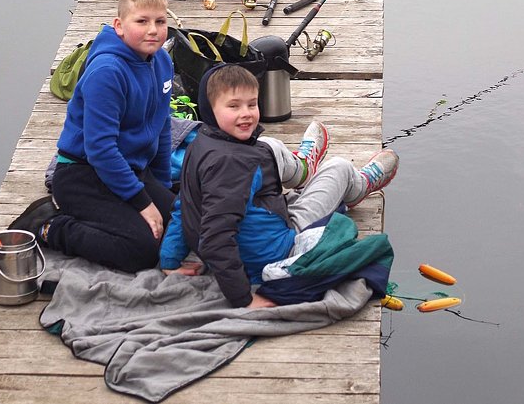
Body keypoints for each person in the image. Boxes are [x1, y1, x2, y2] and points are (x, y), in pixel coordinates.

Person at [159, 64, 399, 308]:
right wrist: (244, 298)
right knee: (339, 168)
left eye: (252, 104)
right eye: (234, 106)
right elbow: (215, 239)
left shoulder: (200, 144)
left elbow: (184, 206)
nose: (246, 113)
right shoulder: (236, 166)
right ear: (210, 108)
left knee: (265, 146)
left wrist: (169, 260)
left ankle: (304, 168)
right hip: (277, 252)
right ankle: (358, 185)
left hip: (256, 235)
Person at [9, 0, 175, 272]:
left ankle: (129, 208)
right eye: (142, 21)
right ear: (119, 26)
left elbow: (161, 128)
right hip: (83, 174)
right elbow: (100, 149)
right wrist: (143, 203)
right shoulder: (107, 72)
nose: (153, 30)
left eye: (160, 21)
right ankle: (49, 225)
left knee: (181, 225)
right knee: (142, 251)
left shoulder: (162, 60)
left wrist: (161, 189)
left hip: (129, 169)